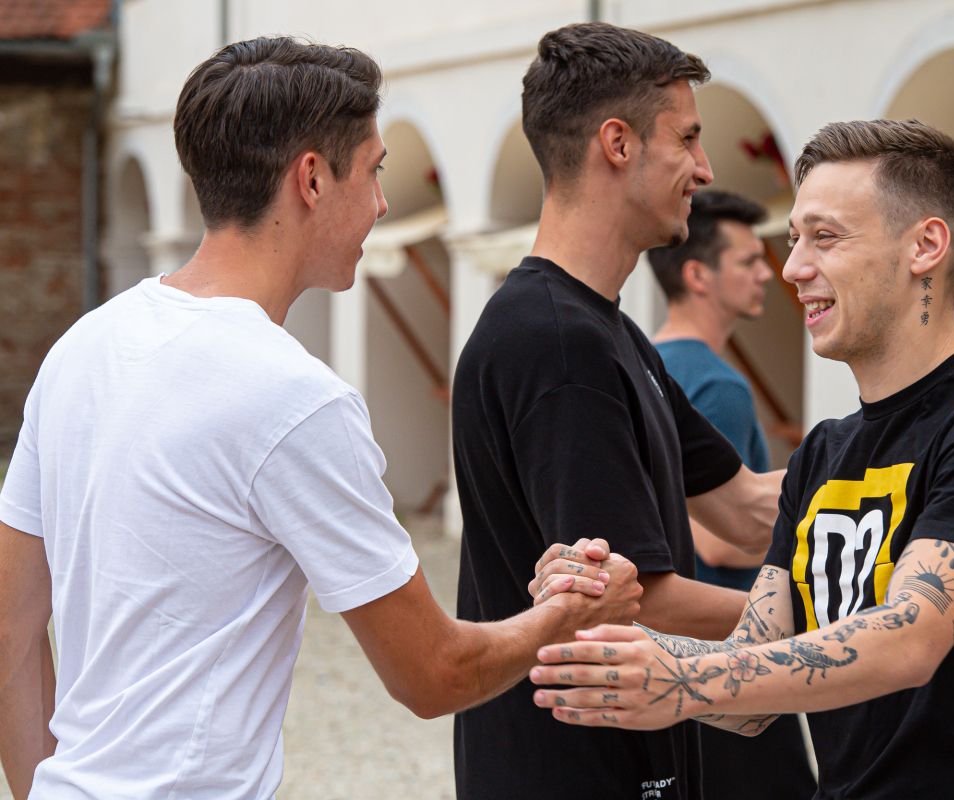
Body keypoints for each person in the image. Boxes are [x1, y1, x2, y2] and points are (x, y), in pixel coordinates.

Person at [0, 37, 641, 800]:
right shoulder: (294, 398)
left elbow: (9, 631)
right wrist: (565, 615)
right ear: (311, 179)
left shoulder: (82, 347)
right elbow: (433, 673)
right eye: (374, 170)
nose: (382, 203)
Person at [530, 118, 954, 799]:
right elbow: (749, 686)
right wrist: (610, 621)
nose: (793, 270)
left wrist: (681, 676)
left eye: (825, 237)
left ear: (926, 246)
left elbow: (910, 639)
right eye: (794, 240)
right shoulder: (822, 453)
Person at [452, 22, 785, 800]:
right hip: (569, 772)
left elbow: (745, 508)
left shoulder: (609, 331)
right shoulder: (557, 344)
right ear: (618, 143)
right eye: (688, 138)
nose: (704, 169)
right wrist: (841, 628)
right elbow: (636, 601)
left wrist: (909, 478)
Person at [647, 189, 816, 799]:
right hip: (733, 648)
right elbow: (719, 542)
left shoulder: (647, 368)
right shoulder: (719, 387)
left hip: (672, 651)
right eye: (748, 261)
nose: (768, 272)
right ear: (698, 275)